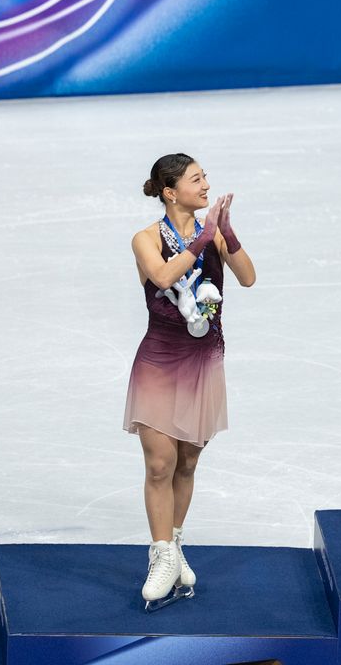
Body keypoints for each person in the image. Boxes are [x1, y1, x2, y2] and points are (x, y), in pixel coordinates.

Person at [125, 153, 255, 610]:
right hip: (160, 361)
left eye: (205, 178)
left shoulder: (214, 234)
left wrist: (227, 235)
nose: (205, 186)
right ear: (169, 190)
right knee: (160, 462)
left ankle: (175, 543)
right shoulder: (145, 239)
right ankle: (160, 555)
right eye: (195, 180)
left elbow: (249, 277)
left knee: (186, 463)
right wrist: (202, 240)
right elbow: (161, 275)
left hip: (204, 362)